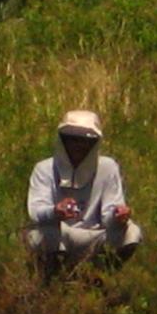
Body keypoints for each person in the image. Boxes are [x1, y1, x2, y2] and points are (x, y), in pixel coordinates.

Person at [26, 110, 142, 274]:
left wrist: (119, 215)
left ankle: (100, 275)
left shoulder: (108, 167)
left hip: (95, 235)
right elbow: (36, 210)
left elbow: (110, 212)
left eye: (84, 140)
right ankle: (54, 277)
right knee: (37, 235)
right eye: (72, 139)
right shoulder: (44, 169)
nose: (78, 145)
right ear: (63, 139)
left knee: (131, 232)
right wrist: (55, 211)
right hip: (60, 234)